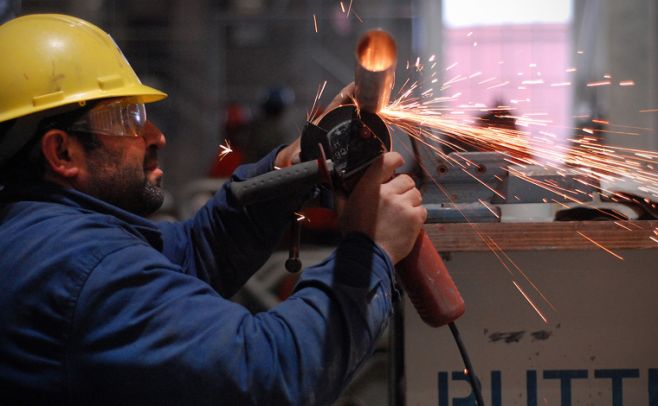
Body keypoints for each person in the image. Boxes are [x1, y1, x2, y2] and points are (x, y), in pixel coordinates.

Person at [0, 14, 427, 405]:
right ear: (61, 151)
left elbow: (192, 252)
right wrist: (369, 249)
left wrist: (291, 166)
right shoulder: (83, 269)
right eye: (126, 118)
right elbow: (270, 373)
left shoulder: (40, 235)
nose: (155, 136)